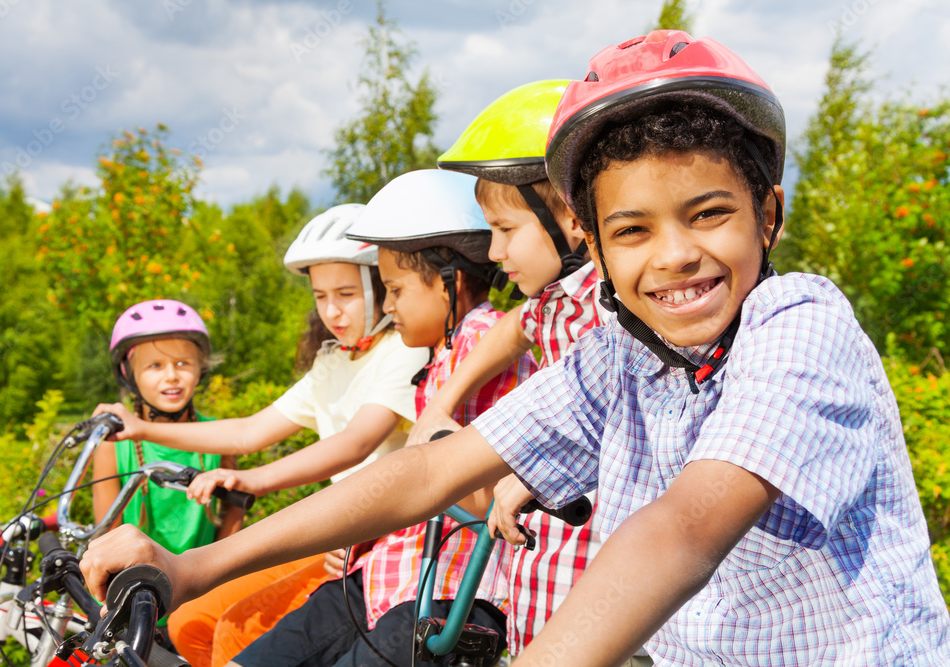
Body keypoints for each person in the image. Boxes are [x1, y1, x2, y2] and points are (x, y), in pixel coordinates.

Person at [82, 31, 950, 667]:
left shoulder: (798, 322)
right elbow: (432, 470)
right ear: (596, 247)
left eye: (709, 212)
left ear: (770, 213)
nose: (676, 254)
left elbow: (683, 528)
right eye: (633, 229)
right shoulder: (621, 356)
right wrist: (192, 564)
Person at [93, 204, 430, 667]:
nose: (331, 310)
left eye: (347, 293)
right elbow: (250, 430)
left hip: (376, 534)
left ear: (380, 287)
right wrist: (140, 427)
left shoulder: (402, 351)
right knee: (190, 624)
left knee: (231, 630)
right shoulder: (333, 360)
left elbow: (355, 442)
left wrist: (255, 479)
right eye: (319, 296)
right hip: (340, 532)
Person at [228, 169, 536, 667]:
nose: (389, 308)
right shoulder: (442, 356)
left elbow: (486, 494)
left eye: (394, 289)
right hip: (386, 575)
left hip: (449, 591)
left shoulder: (481, 343)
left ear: (448, 282)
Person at [416, 79, 651, 666]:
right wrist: (445, 401)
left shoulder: (606, 309)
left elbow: (632, 423)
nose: (493, 254)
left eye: (505, 231)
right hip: (545, 580)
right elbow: (510, 330)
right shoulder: (552, 304)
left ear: (572, 221)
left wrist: (537, 473)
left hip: (601, 583)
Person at [91, 299, 245, 633]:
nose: (172, 376)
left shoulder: (219, 436)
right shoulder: (114, 446)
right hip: (138, 601)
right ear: (128, 375)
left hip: (202, 596)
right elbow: (108, 528)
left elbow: (231, 526)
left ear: (200, 368)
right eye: (155, 366)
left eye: (183, 363)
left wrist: (218, 591)